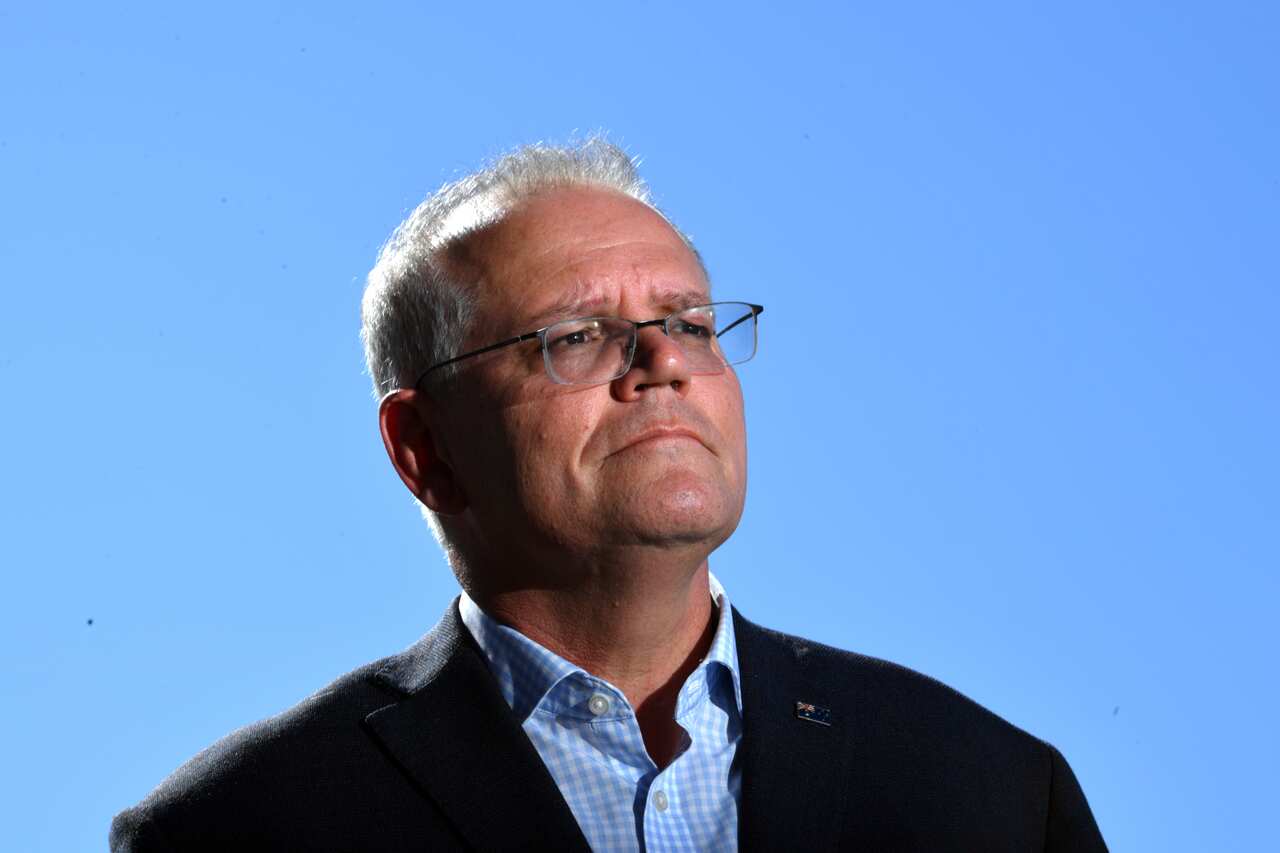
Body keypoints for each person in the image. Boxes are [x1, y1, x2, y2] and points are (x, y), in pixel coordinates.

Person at [110, 139, 1108, 852]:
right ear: (424, 447)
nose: (664, 360)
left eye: (691, 322)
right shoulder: (240, 827)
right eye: (578, 335)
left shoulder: (989, 790)